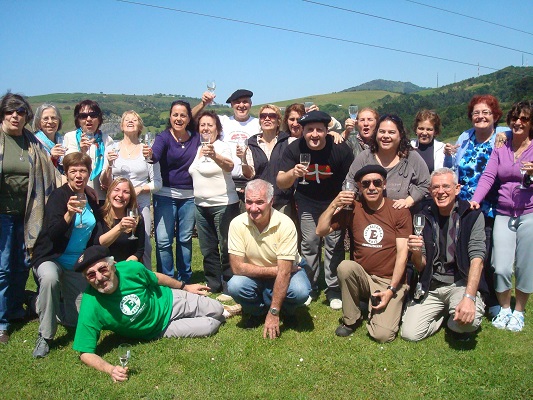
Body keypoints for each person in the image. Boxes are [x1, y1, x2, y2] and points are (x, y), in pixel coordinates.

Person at [72, 245, 224, 382]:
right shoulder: (90, 303)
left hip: (170, 300)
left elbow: (156, 278)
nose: (99, 277)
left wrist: (185, 287)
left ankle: (222, 311)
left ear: (113, 265)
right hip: (160, 329)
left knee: (217, 308)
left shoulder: (131, 269)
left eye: (102, 269)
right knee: (209, 325)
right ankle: (222, 314)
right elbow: (85, 352)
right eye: (90, 275)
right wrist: (110, 369)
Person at [316, 165, 411, 343]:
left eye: (377, 182)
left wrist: (391, 290)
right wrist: (334, 204)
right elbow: (320, 231)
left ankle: (391, 302)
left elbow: (402, 254)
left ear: (384, 185)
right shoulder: (352, 208)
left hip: (389, 281)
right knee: (345, 266)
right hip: (364, 277)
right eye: (366, 184)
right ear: (359, 187)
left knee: (382, 335)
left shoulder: (399, 210)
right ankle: (351, 319)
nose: (372, 187)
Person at [277, 110, 354, 310]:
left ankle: (334, 289)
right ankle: (309, 286)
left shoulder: (340, 149)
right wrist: (293, 173)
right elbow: (280, 181)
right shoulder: (294, 148)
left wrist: (343, 203)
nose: (314, 134)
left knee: (334, 245)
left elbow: (351, 179)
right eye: (309, 130)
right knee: (309, 243)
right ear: (302, 131)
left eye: (319, 130)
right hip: (307, 202)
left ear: (327, 131)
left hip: (333, 202)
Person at [0, 92, 60, 345]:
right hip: (2, 214)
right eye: (10, 111)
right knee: (3, 268)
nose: (15, 116)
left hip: (28, 214)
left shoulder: (32, 143)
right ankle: (1, 322)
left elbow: (50, 175)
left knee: (22, 264)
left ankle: (14, 310)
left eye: (21, 112)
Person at [401, 168, 487, 342]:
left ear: (457, 189)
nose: (441, 192)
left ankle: (463, 309)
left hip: (460, 284)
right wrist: (416, 252)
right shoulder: (422, 216)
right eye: (436, 187)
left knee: (468, 322)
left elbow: (477, 260)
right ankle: (443, 316)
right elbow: (421, 265)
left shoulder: (472, 216)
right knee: (409, 334)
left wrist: (469, 297)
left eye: (446, 186)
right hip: (431, 285)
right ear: (430, 191)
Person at [31, 152, 101, 358]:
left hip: (75, 263)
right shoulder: (58, 196)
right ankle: (45, 336)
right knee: (50, 279)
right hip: (51, 257)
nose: (78, 175)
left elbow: (96, 233)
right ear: (67, 174)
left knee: (76, 321)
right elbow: (52, 233)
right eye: (73, 171)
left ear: (88, 174)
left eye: (83, 171)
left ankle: (39, 302)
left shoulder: (90, 197)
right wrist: (69, 214)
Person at [443, 94, 508, 318]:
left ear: (495, 116)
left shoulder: (504, 135)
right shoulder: (465, 136)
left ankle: (491, 300)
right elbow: (456, 167)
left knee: (487, 252)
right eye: (476, 113)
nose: (480, 117)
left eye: (486, 113)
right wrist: (449, 156)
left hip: (491, 205)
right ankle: (475, 293)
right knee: (467, 249)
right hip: (465, 205)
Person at [471, 101, 533, 332]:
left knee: (527, 266)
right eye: (515, 118)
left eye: (524, 119)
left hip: (529, 212)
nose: (518, 123)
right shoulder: (502, 145)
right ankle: (505, 307)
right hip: (504, 213)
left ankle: (519, 312)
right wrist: (476, 198)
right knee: (501, 266)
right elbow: (488, 175)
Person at [227, 180, 310, 338]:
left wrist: (274, 313)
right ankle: (257, 312)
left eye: (259, 202)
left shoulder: (285, 224)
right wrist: (275, 271)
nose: (253, 208)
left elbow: (286, 273)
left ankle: (286, 311)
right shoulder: (237, 224)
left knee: (300, 291)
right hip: (261, 274)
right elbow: (237, 268)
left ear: (271, 202)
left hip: (286, 272)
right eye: (249, 202)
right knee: (235, 285)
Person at [100, 110, 161, 269]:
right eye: (126, 119)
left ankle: (146, 278)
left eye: (134, 120)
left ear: (140, 126)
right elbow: (104, 182)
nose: (130, 121)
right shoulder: (112, 148)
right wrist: (109, 165)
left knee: (144, 246)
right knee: (115, 244)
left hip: (139, 205)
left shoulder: (147, 150)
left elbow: (157, 183)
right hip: (117, 205)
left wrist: (138, 190)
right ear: (121, 125)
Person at [188, 110, 239, 295]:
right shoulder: (198, 149)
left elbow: (230, 165)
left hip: (223, 204)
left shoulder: (222, 146)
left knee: (226, 246)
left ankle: (229, 284)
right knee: (207, 248)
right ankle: (213, 283)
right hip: (200, 205)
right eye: (202, 125)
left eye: (210, 125)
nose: (206, 128)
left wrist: (215, 155)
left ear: (217, 128)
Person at [149, 100, 199, 282]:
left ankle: (185, 277)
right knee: (163, 240)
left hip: (189, 197)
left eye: (183, 115)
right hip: (165, 196)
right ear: (170, 116)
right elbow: (154, 153)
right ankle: (167, 278)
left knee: (185, 239)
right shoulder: (163, 137)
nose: (178, 118)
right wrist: (150, 155)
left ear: (188, 118)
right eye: (175, 114)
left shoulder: (196, 138)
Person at [345, 114, 430, 210]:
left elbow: (425, 184)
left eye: (391, 132)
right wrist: (350, 195)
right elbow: (350, 181)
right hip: (369, 218)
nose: (386, 136)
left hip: (402, 217)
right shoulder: (365, 157)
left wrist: (409, 201)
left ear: (400, 135)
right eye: (382, 132)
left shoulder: (411, 157)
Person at [193, 89, 260, 195]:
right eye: (237, 102)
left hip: (252, 183)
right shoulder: (223, 122)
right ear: (232, 104)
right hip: (225, 184)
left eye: (245, 101)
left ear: (251, 104)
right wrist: (203, 104)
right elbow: (189, 120)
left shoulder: (258, 124)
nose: (241, 105)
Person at [242, 104, 294, 215]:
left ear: (278, 121)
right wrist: (243, 160)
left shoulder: (289, 142)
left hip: (282, 200)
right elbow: (249, 175)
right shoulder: (251, 143)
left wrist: (333, 133)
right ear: (260, 121)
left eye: (272, 116)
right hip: (258, 203)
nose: (267, 118)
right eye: (263, 116)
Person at [63, 100, 114, 203]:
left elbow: (106, 175)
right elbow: (70, 169)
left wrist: (109, 165)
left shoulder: (107, 140)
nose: (89, 119)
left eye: (93, 115)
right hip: (77, 195)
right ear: (78, 120)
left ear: (99, 119)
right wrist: (81, 152)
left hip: (100, 197)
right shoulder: (70, 137)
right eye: (83, 116)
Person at [97, 177, 145, 263]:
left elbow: (139, 250)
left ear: (131, 197)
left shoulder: (137, 218)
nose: (120, 195)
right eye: (116, 190)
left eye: (126, 192)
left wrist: (126, 265)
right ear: (109, 193)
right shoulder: (99, 215)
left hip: (127, 266)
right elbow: (99, 244)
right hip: (104, 265)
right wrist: (119, 227)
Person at [31, 103, 66, 173]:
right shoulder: (33, 142)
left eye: (53, 118)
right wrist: (51, 158)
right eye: (46, 118)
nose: (50, 122)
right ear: (38, 122)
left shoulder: (64, 141)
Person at [411, 109, 445, 174]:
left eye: (429, 129)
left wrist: (448, 157)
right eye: (421, 128)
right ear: (416, 129)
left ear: (435, 132)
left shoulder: (442, 149)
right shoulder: (408, 146)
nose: (424, 133)